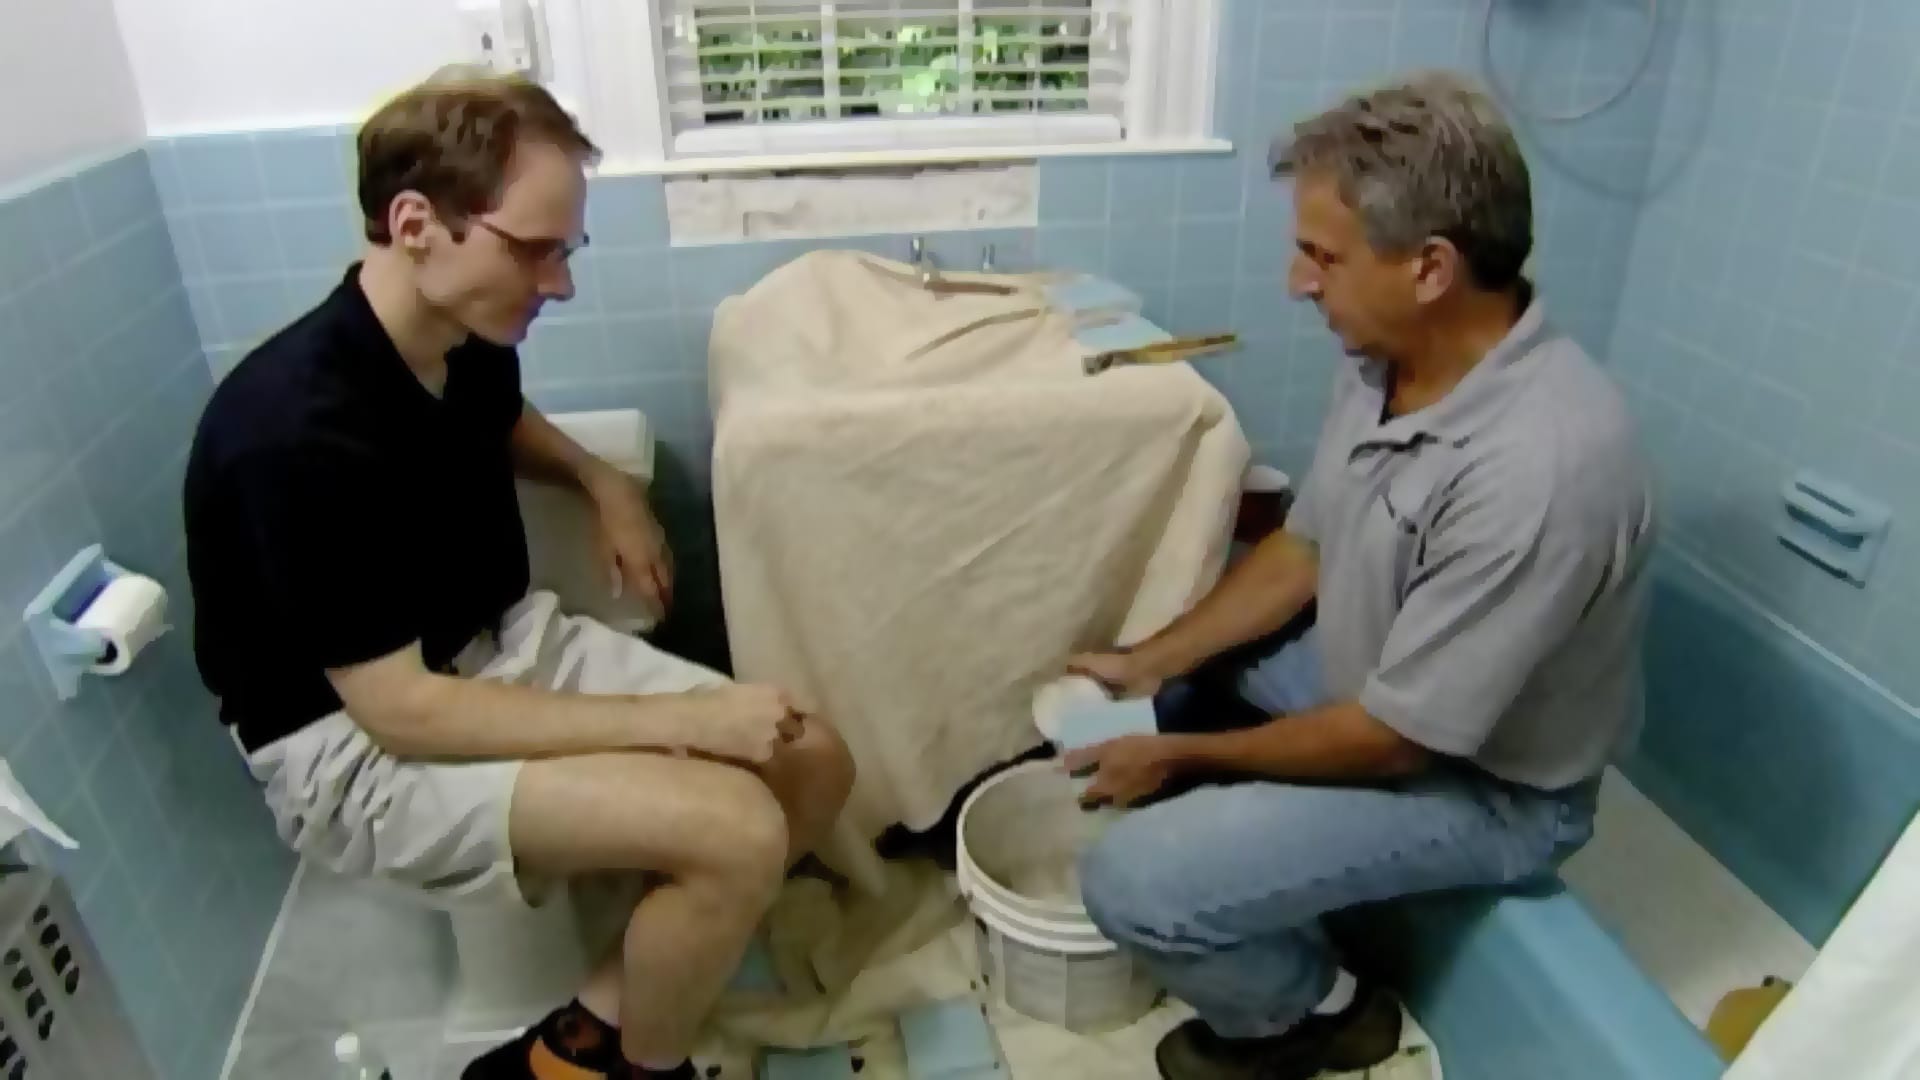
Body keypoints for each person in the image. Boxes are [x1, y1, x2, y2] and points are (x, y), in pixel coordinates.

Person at [183, 71, 854, 1080]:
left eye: (565, 251)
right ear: (417, 225)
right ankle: (649, 1066)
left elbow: (499, 422)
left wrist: (600, 481)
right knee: (736, 830)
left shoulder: (461, 334)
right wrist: (685, 723)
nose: (560, 284)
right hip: (354, 743)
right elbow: (404, 714)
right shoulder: (291, 434)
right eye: (535, 249)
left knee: (816, 761)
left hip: (495, 645)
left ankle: (575, 1040)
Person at [1066, 72, 1654, 1080]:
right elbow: (1308, 548)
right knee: (1180, 686)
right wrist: (1145, 662)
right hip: (1377, 687)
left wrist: (1185, 757)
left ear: (1430, 268)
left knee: (1131, 883)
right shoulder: (1389, 357)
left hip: (1487, 787)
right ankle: (1238, 845)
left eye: (1323, 256)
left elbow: (1394, 740)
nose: (1298, 281)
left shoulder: (1543, 470)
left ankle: (1321, 1013)